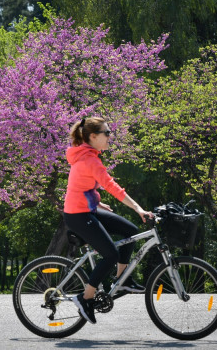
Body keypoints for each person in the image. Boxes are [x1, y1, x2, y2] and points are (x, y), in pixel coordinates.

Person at [63, 117, 154, 324]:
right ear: (93, 136)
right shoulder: (89, 159)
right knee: (110, 254)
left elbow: (82, 185)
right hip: (78, 215)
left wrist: (96, 201)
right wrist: (138, 208)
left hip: (87, 209)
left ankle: (123, 280)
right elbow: (112, 187)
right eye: (107, 133)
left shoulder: (88, 156)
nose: (110, 137)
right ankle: (85, 298)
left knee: (130, 232)